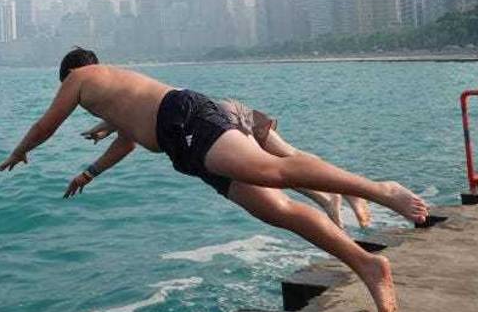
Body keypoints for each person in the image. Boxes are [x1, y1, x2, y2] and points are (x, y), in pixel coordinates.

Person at [0, 47, 430, 312]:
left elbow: (46, 124)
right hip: (183, 148)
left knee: (272, 170)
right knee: (279, 211)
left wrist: (19, 151)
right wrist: (89, 173)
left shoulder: (81, 77)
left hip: (187, 120)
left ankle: (381, 190)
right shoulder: (116, 93)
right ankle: (366, 264)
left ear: (71, 72)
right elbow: (128, 141)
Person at [80, 98, 372, 228]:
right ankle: (333, 196)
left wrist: (101, 142)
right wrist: (105, 129)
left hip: (228, 118)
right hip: (232, 112)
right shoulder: (128, 98)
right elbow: (133, 121)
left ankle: (343, 194)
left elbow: (129, 131)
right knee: (283, 161)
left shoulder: (121, 104)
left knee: (279, 164)